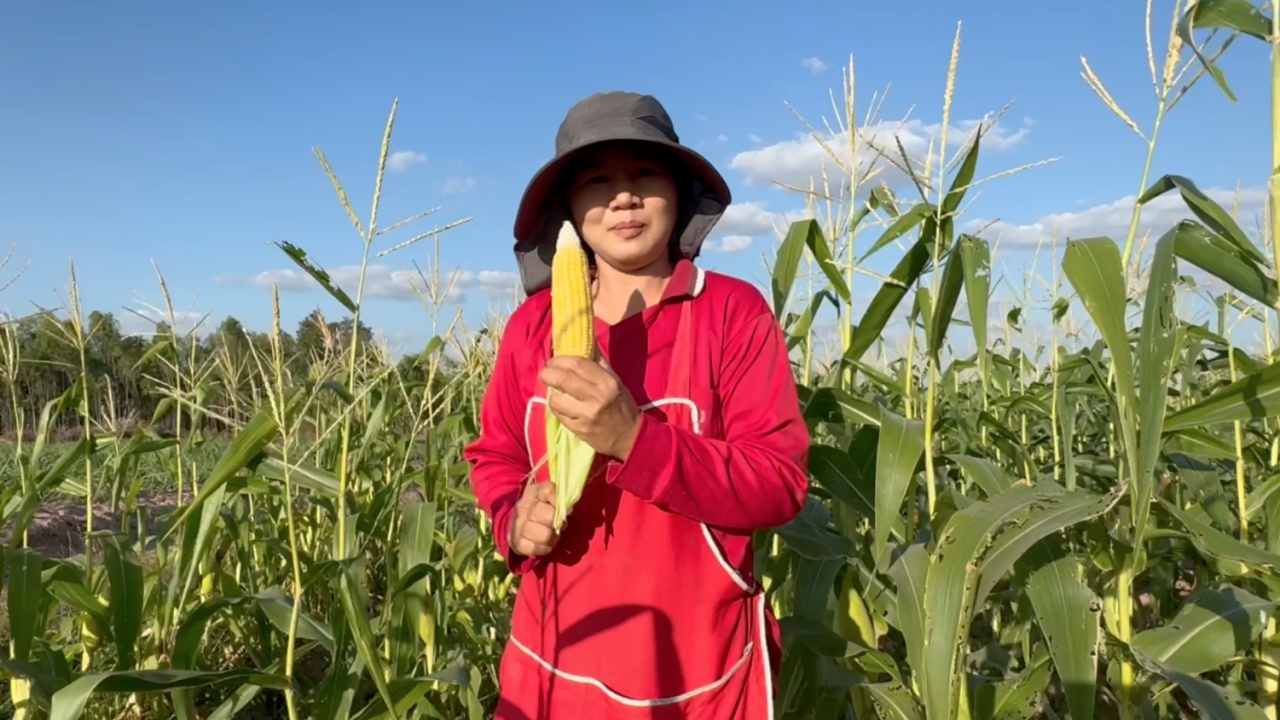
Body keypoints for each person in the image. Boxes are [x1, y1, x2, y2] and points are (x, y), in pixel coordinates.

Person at [463, 90, 810, 720]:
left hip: (698, 675)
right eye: (597, 180)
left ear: (678, 192)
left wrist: (633, 439)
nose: (623, 196)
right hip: (551, 662)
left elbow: (778, 483)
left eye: (645, 174)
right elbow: (496, 456)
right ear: (568, 208)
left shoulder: (733, 313)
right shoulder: (529, 329)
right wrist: (513, 517)